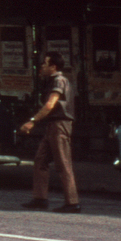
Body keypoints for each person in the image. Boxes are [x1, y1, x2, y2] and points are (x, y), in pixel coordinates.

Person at [18, 52, 81, 212]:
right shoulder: (54, 80)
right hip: (53, 125)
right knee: (40, 160)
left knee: (63, 163)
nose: (42, 66)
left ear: (53, 67)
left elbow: (50, 105)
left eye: (45, 64)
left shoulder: (59, 81)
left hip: (60, 125)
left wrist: (32, 121)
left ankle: (72, 203)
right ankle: (40, 198)